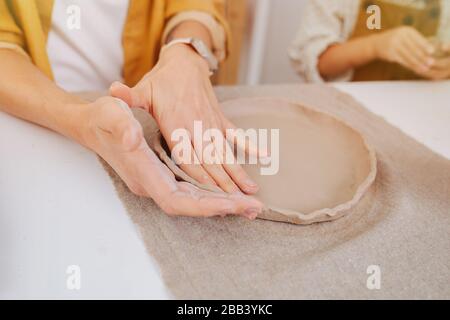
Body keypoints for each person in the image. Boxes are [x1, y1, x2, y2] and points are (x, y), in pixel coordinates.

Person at [0, 0, 263, 219]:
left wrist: (187, 51)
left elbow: (195, 6)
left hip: (140, 121)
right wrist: (83, 121)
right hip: (34, 122)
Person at [289, 0, 450, 82]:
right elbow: (315, 62)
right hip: (347, 114)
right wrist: (375, 46)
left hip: (416, 117)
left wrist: (443, 66)